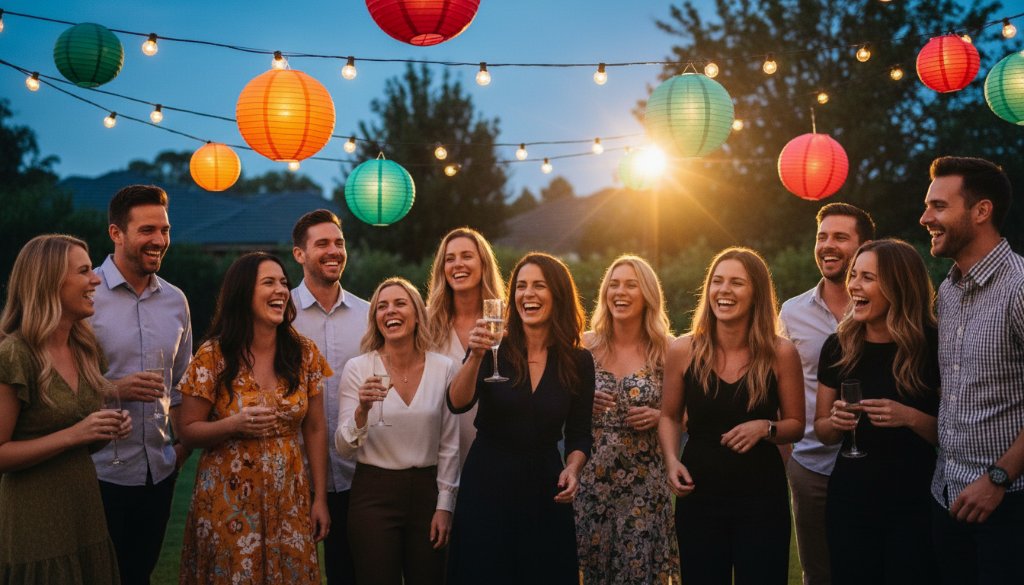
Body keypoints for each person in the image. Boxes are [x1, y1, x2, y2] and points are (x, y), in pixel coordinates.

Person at [176, 252, 330, 585]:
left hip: (290, 496)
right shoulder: (212, 356)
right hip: (227, 500)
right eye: (269, 282)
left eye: (284, 283)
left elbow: (316, 428)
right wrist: (234, 425)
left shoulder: (305, 354)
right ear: (243, 293)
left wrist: (320, 498)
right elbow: (186, 431)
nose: (281, 290)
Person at [447, 252, 596, 585]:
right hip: (488, 482)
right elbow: (457, 402)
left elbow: (579, 433)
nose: (528, 294)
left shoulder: (578, 360)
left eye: (539, 286)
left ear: (557, 294)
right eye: (521, 286)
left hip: (544, 486)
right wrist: (474, 357)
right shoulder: (494, 346)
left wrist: (572, 468)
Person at [658, 247, 804, 585]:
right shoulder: (682, 350)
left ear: (756, 294)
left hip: (761, 499)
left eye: (736, 283)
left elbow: (796, 425)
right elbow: (668, 416)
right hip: (700, 496)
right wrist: (671, 461)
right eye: (717, 281)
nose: (724, 290)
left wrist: (765, 428)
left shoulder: (781, 352)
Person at [0, 234, 131, 584]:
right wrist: (75, 434)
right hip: (35, 520)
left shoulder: (85, 348)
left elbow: (84, 442)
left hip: (86, 512)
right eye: (84, 271)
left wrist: (104, 431)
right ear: (49, 281)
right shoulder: (15, 354)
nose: (96, 280)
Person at [919, 156, 1024, 585]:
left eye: (939, 207)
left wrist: (999, 477)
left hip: (1008, 503)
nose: (925, 217)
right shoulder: (947, 289)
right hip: (947, 495)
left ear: (981, 211)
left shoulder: (1019, 288)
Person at [813, 239, 940, 584]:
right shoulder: (839, 344)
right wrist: (836, 422)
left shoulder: (932, 344)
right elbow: (822, 430)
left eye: (867, 277)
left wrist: (908, 416)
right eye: (854, 275)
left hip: (914, 500)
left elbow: (949, 434)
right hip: (851, 499)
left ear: (899, 285)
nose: (853, 285)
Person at [89, 184, 193, 585]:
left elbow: (181, 385)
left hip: (158, 475)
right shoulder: (85, 295)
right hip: (97, 473)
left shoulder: (176, 301)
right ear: (116, 233)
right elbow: (57, 382)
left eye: (164, 230)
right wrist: (115, 389)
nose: (160, 241)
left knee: (139, 576)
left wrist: (179, 451)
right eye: (147, 230)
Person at [335, 278, 459, 585]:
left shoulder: (444, 368)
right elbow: (344, 448)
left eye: (400, 303)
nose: (391, 311)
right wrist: (362, 410)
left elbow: (449, 446)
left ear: (418, 314)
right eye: (382, 306)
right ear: (376, 319)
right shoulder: (358, 369)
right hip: (374, 493)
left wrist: (445, 505)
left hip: (427, 493)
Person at [779, 203, 875, 585]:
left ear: (866, 245)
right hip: (813, 467)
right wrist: (792, 461)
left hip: (877, 464)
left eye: (840, 237)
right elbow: (777, 388)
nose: (827, 245)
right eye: (822, 237)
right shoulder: (791, 312)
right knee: (819, 574)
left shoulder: (887, 308)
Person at [574, 254, 680, 585]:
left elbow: (688, 413)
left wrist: (660, 415)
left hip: (645, 488)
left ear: (647, 292)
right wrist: (580, 404)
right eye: (614, 284)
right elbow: (555, 404)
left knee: (640, 574)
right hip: (591, 484)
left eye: (631, 285)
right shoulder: (583, 346)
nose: (620, 292)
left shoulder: (668, 350)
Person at [290, 209, 369, 585]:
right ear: (299, 254)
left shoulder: (369, 315)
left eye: (339, 243)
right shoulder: (281, 315)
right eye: (322, 243)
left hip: (360, 472)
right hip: (294, 474)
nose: (333, 250)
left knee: (350, 572)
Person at [424, 227, 505, 468]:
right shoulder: (425, 323)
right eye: (450, 259)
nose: (458, 264)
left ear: (484, 264)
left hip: (494, 451)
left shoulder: (504, 322)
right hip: (438, 451)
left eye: (467, 256)